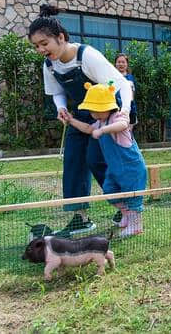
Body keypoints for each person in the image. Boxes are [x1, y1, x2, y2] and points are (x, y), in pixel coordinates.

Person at [29, 4, 132, 237]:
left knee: (98, 160)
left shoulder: (87, 56)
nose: (41, 50)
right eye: (36, 46)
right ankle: (81, 218)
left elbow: (122, 84)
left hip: (105, 115)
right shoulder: (49, 65)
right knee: (73, 163)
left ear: (61, 38)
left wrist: (124, 112)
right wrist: (62, 109)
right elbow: (56, 92)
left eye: (44, 44)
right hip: (78, 116)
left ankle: (124, 207)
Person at [63, 82, 145, 238]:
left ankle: (136, 224)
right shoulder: (100, 121)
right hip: (115, 169)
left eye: (95, 110)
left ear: (105, 107)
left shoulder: (117, 117)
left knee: (132, 196)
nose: (92, 114)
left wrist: (103, 130)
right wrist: (71, 120)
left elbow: (122, 125)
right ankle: (126, 214)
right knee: (110, 191)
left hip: (131, 167)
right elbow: (88, 129)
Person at [114, 53, 138, 127]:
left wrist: (133, 112)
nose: (121, 64)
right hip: (115, 110)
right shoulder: (112, 77)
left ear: (127, 64)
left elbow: (132, 96)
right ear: (115, 64)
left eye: (123, 62)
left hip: (129, 110)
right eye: (119, 62)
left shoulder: (131, 78)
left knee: (128, 134)